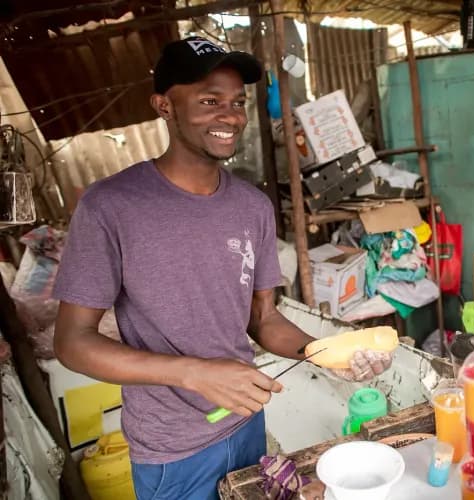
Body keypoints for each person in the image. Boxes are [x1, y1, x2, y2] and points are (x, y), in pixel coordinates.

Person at [52, 36, 392, 500]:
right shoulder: (111, 206)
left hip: (247, 422)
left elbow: (263, 318)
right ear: (164, 105)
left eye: (236, 102)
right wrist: (194, 373)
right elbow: (72, 343)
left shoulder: (252, 206)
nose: (231, 116)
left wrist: (327, 353)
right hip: (173, 448)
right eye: (210, 100)